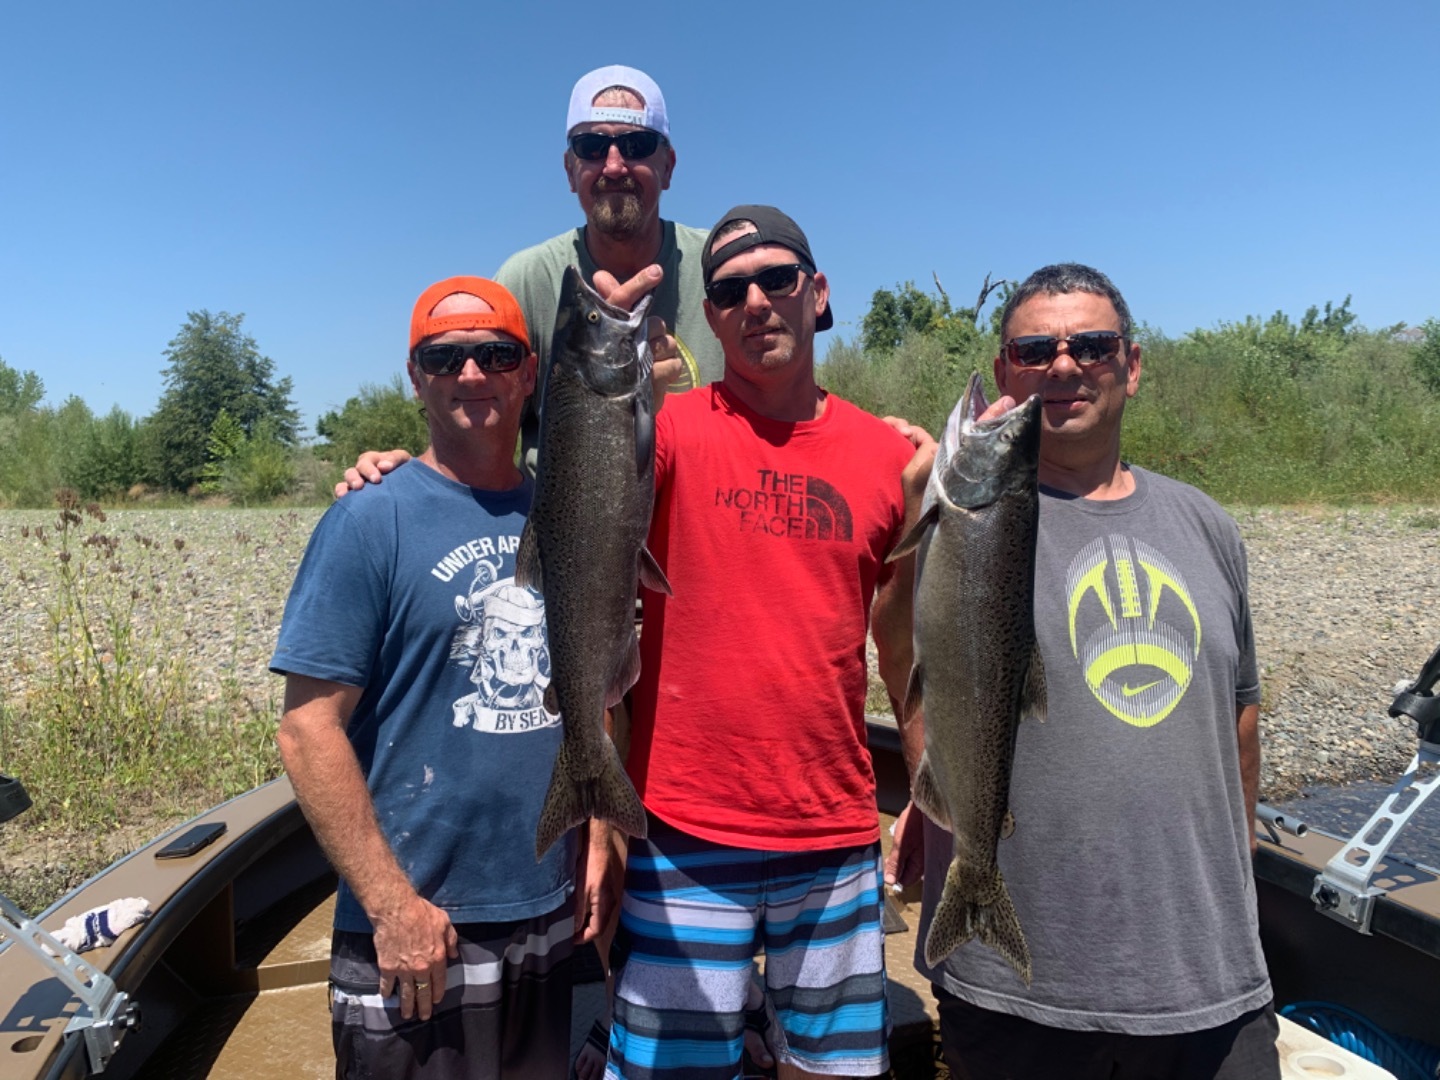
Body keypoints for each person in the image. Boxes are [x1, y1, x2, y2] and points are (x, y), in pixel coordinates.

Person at [340, 208, 935, 1079]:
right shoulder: (671, 429)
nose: (756, 302)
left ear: (819, 293)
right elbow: (557, 491)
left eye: (777, 280)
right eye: (729, 291)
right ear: (712, 313)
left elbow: (910, 648)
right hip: (682, 830)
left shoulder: (892, 456)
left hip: (835, 835)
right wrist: (408, 466)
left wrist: (928, 790)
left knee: (835, 1071)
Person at [885, 263, 1279, 1079]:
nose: (1063, 366)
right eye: (1034, 351)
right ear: (1004, 375)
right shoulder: (960, 519)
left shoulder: (1209, 524)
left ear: (1130, 366)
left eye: (1091, 346)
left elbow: (1238, 711)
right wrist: (940, 781)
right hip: (1018, 992)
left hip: (1210, 978)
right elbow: (903, 642)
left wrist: (1241, 858)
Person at [274, 277, 609, 1079]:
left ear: (529, 373)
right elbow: (306, 727)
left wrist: (599, 833)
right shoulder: (370, 518)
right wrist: (392, 907)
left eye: (496, 354)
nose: (471, 374)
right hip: (421, 930)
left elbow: (596, 687)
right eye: (445, 356)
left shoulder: (566, 510)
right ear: (415, 375)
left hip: (548, 908)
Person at [499, 63, 723, 475]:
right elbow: (477, 443)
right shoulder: (527, 282)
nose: (614, 165)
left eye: (637, 144)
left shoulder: (723, 268)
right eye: (591, 146)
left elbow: (780, 406)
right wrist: (404, 476)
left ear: (669, 166)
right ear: (570, 170)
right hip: (568, 538)